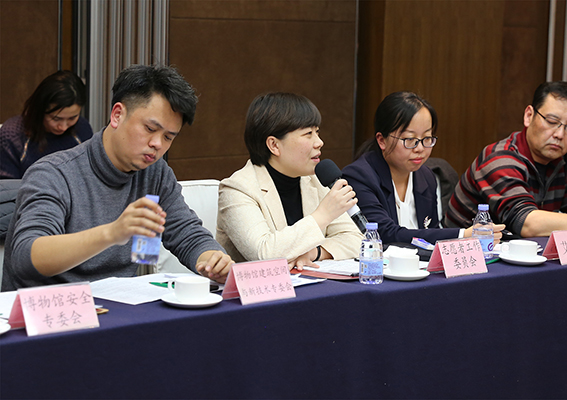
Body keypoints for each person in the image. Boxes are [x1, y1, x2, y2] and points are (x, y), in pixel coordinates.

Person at [2, 64, 233, 291]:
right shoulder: (53, 173)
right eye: (150, 129)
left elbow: (186, 232)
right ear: (117, 115)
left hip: (119, 305)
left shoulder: (155, 173)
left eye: (168, 137)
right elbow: (27, 257)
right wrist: (112, 233)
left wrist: (214, 260)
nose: (157, 144)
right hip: (51, 307)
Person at [216, 92, 363, 270]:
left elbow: (357, 238)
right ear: (274, 145)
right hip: (259, 287)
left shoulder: (315, 180)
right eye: (308, 134)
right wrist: (323, 215)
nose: (319, 142)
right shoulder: (237, 189)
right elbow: (263, 253)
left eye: (317, 132)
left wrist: (315, 252)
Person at [342, 91, 504, 245]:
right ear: (382, 140)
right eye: (410, 139)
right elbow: (384, 234)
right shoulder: (359, 177)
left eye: (427, 138)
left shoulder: (426, 176)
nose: (419, 148)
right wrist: (462, 235)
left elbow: (432, 232)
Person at [445, 81, 567, 237]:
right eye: (552, 121)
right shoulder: (500, 158)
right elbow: (528, 224)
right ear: (529, 116)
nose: (560, 134)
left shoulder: (563, 164)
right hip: (469, 249)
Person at [0, 70, 94, 179]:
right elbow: (6, 187)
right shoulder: (12, 136)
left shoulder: (82, 129)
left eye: (72, 118)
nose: (63, 127)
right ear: (40, 110)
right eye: (56, 118)